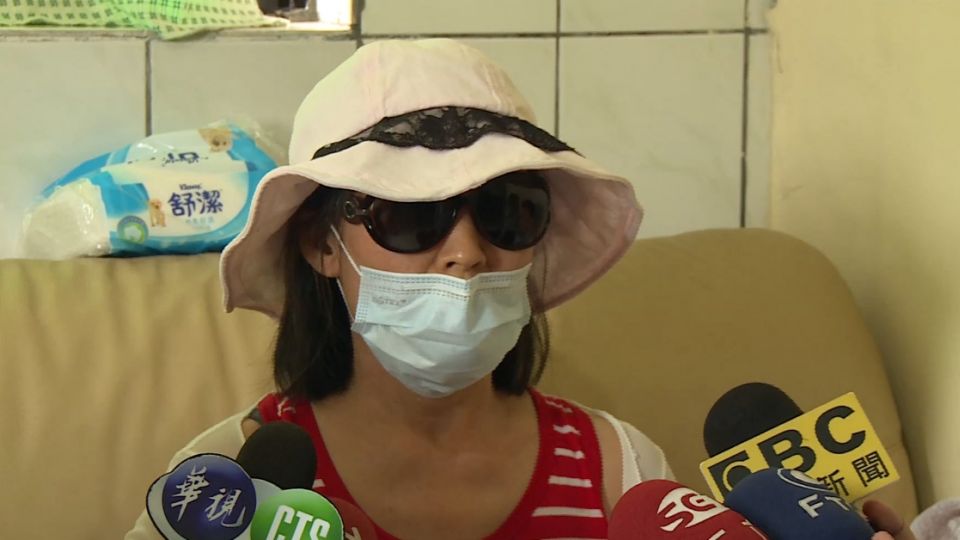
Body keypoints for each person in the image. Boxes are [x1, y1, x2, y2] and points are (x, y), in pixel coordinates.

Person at [126, 38, 914, 540]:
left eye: (508, 211)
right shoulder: (227, 479)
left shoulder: (621, 468)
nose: (467, 253)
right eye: (411, 216)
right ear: (320, 244)